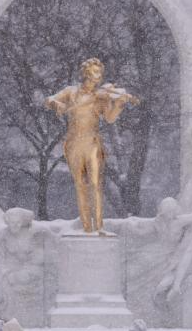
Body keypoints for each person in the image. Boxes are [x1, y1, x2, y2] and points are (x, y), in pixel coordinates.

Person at [45, 57, 140, 233]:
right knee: (80, 185)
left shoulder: (102, 97)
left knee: (96, 184)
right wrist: (56, 103)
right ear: (86, 72)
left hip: (92, 142)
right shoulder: (70, 92)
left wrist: (119, 104)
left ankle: (99, 226)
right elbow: (49, 99)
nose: (99, 75)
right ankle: (87, 227)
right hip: (73, 142)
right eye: (96, 71)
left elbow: (110, 119)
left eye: (100, 72)